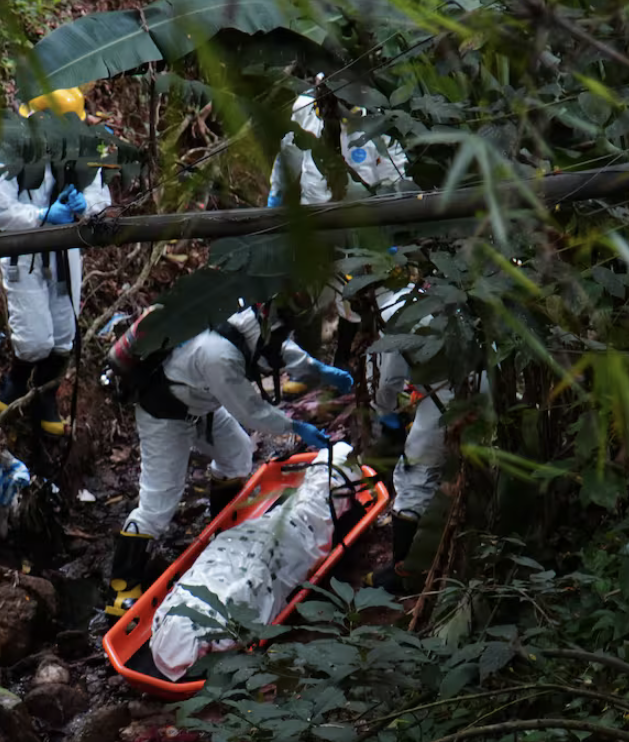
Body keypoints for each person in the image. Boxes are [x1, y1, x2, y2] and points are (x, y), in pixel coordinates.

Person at [106, 299, 355, 616]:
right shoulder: (217, 355)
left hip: (200, 407)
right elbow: (250, 411)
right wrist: (295, 426)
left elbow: (279, 351)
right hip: (165, 414)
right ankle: (122, 588)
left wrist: (317, 370)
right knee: (157, 506)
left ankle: (222, 528)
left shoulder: (252, 326)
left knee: (237, 454)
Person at [0, 87, 112, 436]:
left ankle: (47, 396)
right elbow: (2, 210)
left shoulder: (81, 147)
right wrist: (41, 215)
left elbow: (98, 193)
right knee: (35, 338)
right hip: (25, 250)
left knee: (64, 335)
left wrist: (87, 208)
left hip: (67, 248)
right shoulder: (4, 147)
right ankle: (16, 380)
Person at [265, 74, 413, 382]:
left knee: (357, 298)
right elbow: (289, 154)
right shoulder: (307, 107)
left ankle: (352, 369)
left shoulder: (375, 114)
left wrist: (394, 228)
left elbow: (392, 171)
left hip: (363, 223)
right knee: (305, 296)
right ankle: (303, 369)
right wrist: (277, 197)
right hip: (315, 218)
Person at [363, 290, 490, 592]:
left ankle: (405, 572)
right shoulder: (426, 291)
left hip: (450, 393)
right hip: (489, 379)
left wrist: (385, 412)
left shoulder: (389, 313)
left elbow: (386, 382)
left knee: (414, 477)